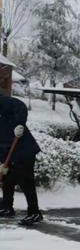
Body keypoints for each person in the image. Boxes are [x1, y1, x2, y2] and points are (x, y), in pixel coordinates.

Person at [0, 94, 42, 226]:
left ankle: (34, 213)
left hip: (23, 149)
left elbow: (19, 105)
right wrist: (2, 162)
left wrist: (20, 124)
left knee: (26, 181)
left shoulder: (4, 102)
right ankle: (7, 207)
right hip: (8, 153)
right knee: (8, 181)